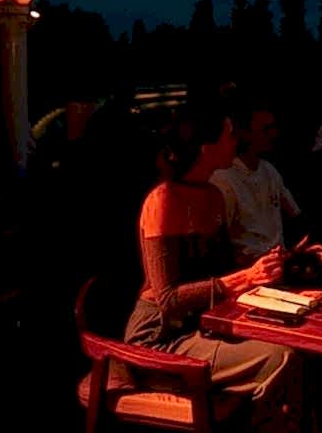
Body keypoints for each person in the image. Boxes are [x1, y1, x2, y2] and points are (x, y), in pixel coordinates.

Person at [123, 104, 300, 430]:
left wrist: (279, 266)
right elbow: (169, 299)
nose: (236, 142)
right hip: (159, 340)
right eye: (230, 135)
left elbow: (223, 271)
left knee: (299, 341)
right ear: (206, 147)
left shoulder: (213, 195)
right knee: (281, 356)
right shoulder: (164, 199)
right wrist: (246, 277)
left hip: (204, 327)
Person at [210, 98, 322, 267]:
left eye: (274, 128)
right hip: (251, 272)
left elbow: (297, 217)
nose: (274, 134)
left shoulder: (269, 170)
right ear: (244, 133)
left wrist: (299, 252)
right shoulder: (224, 179)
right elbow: (221, 246)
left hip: (280, 266)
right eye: (266, 129)